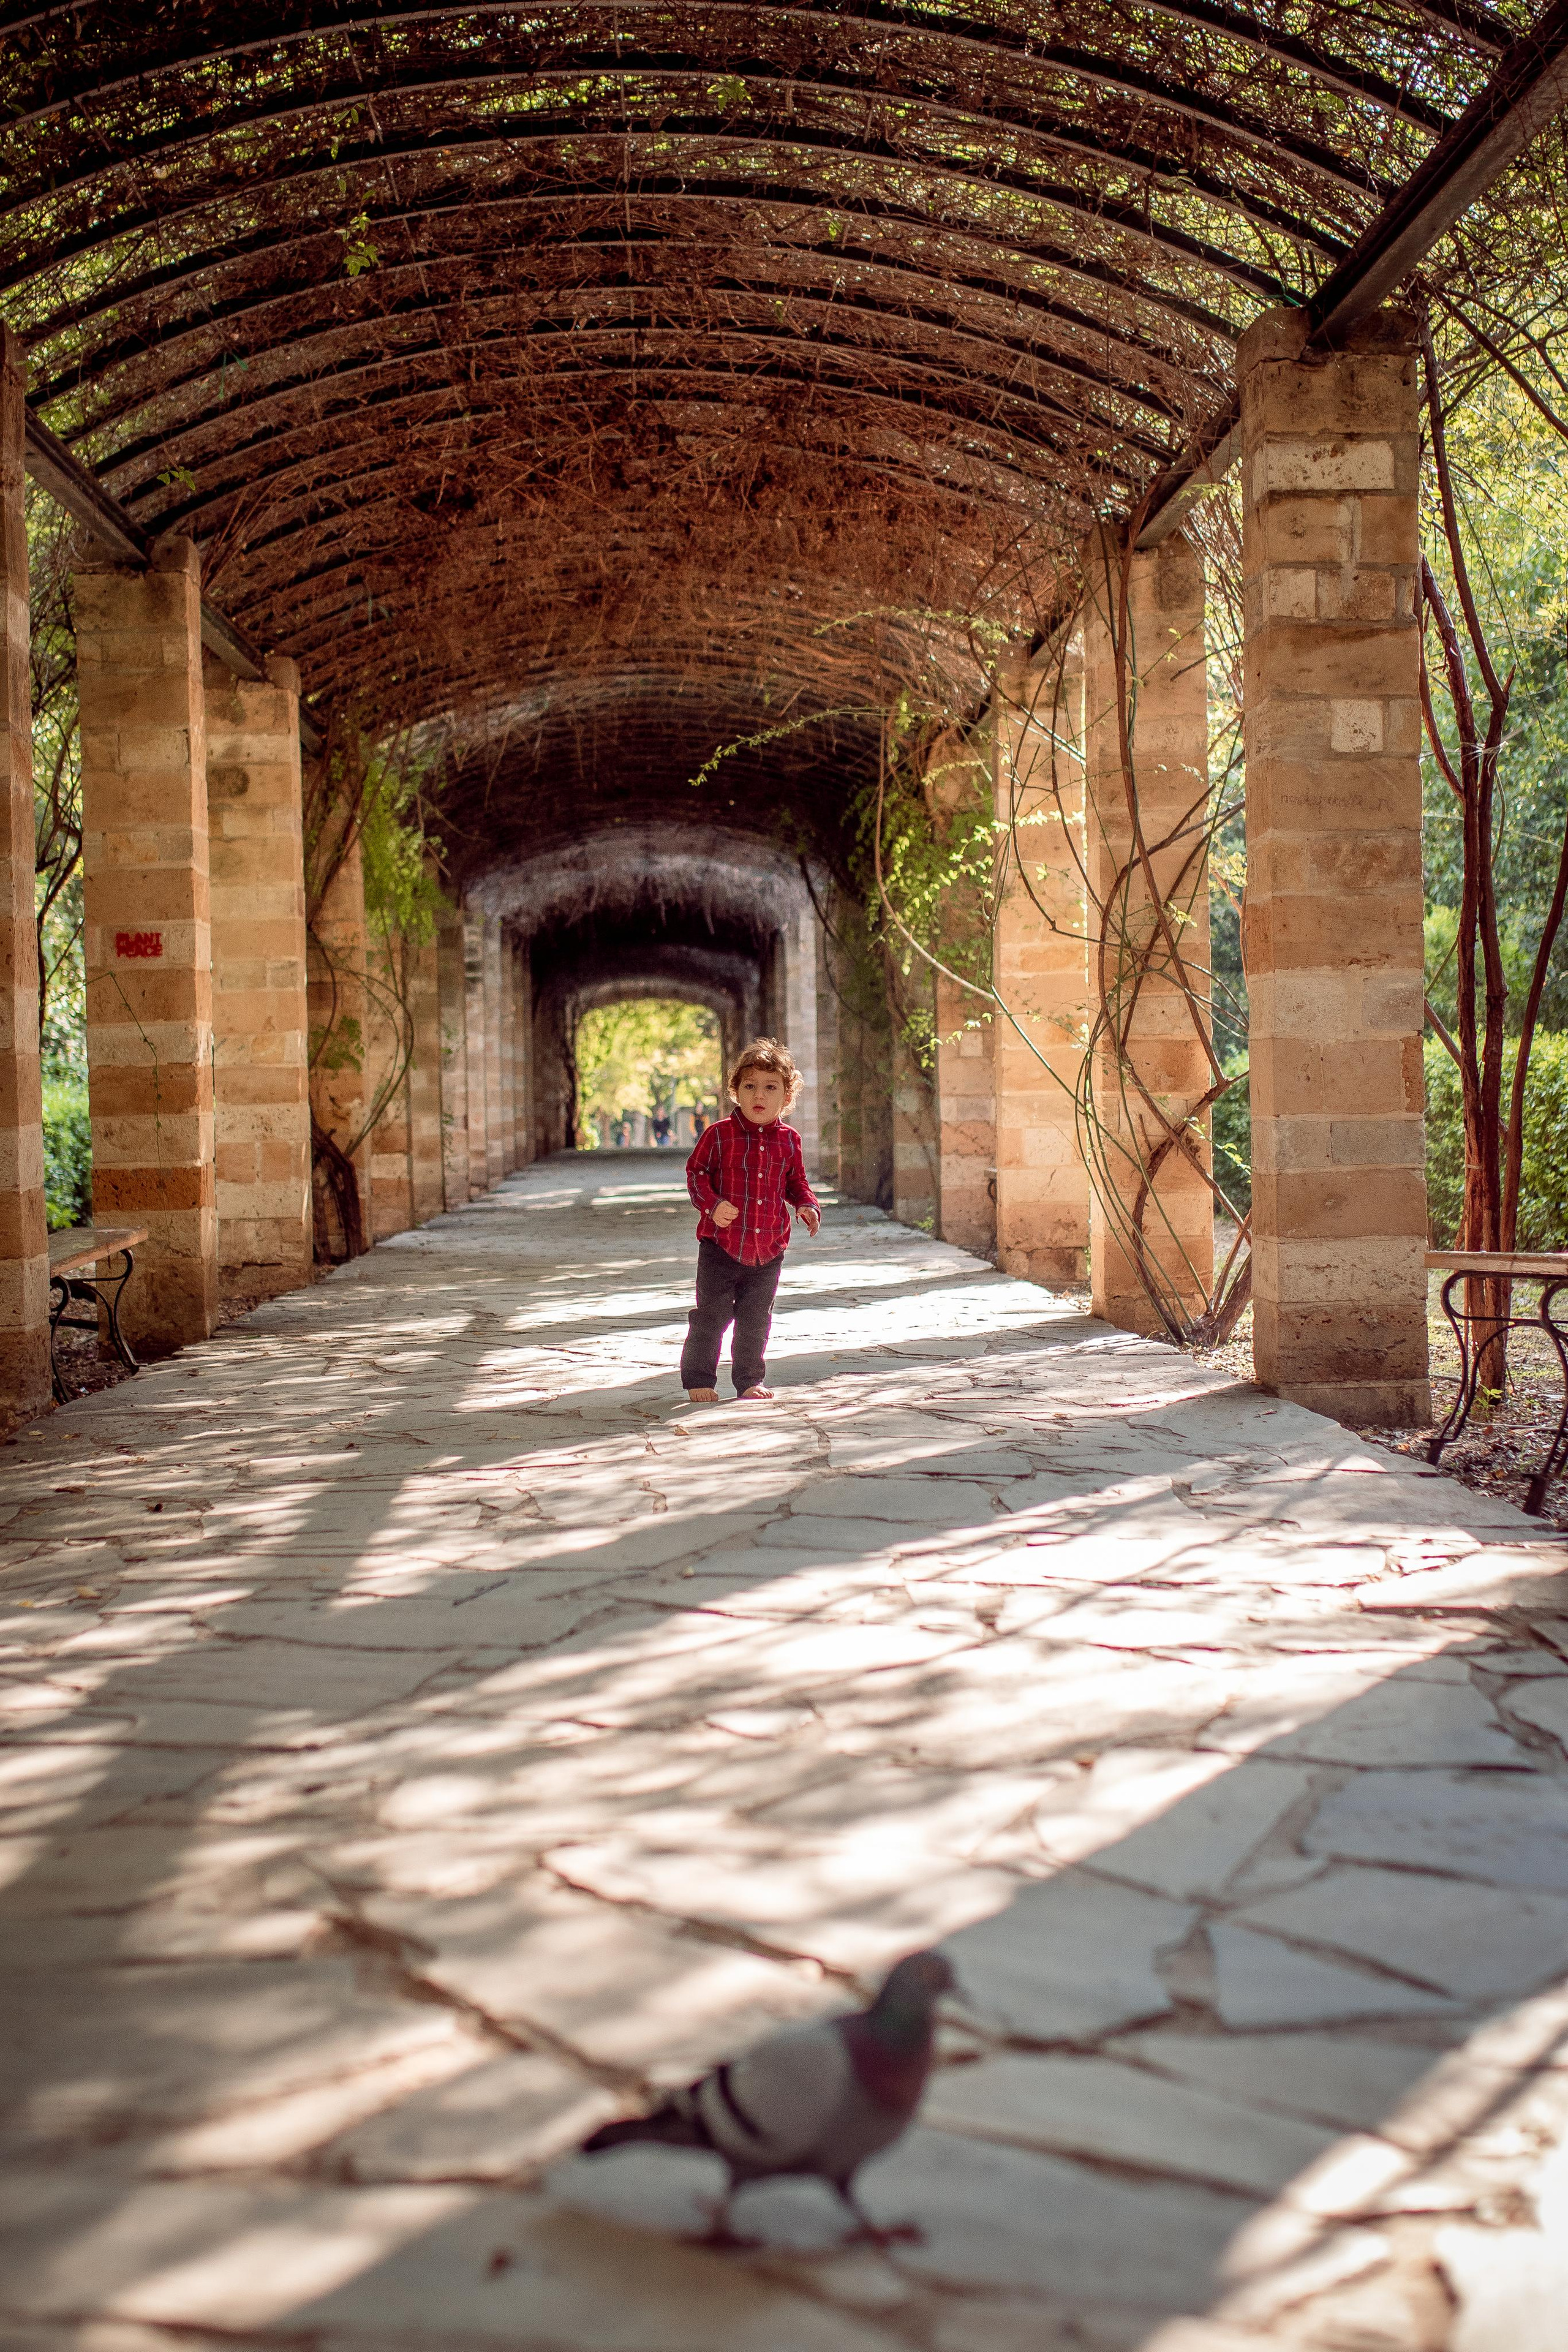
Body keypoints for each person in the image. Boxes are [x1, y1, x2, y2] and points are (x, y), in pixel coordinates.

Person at [681, 1038, 820, 1403]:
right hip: (721, 1246)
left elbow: (796, 1181)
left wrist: (806, 1205)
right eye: (750, 1087)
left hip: (769, 1249)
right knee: (711, 1317)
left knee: (755, 1321)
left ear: (787, 1097)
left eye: (771, 1087)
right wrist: (711, 1205)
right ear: (736, 1092)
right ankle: (699, 1378)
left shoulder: (790, 1141)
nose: (759, 1095)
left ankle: (748, 1381)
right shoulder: (719, 1135)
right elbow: (697, 1174)